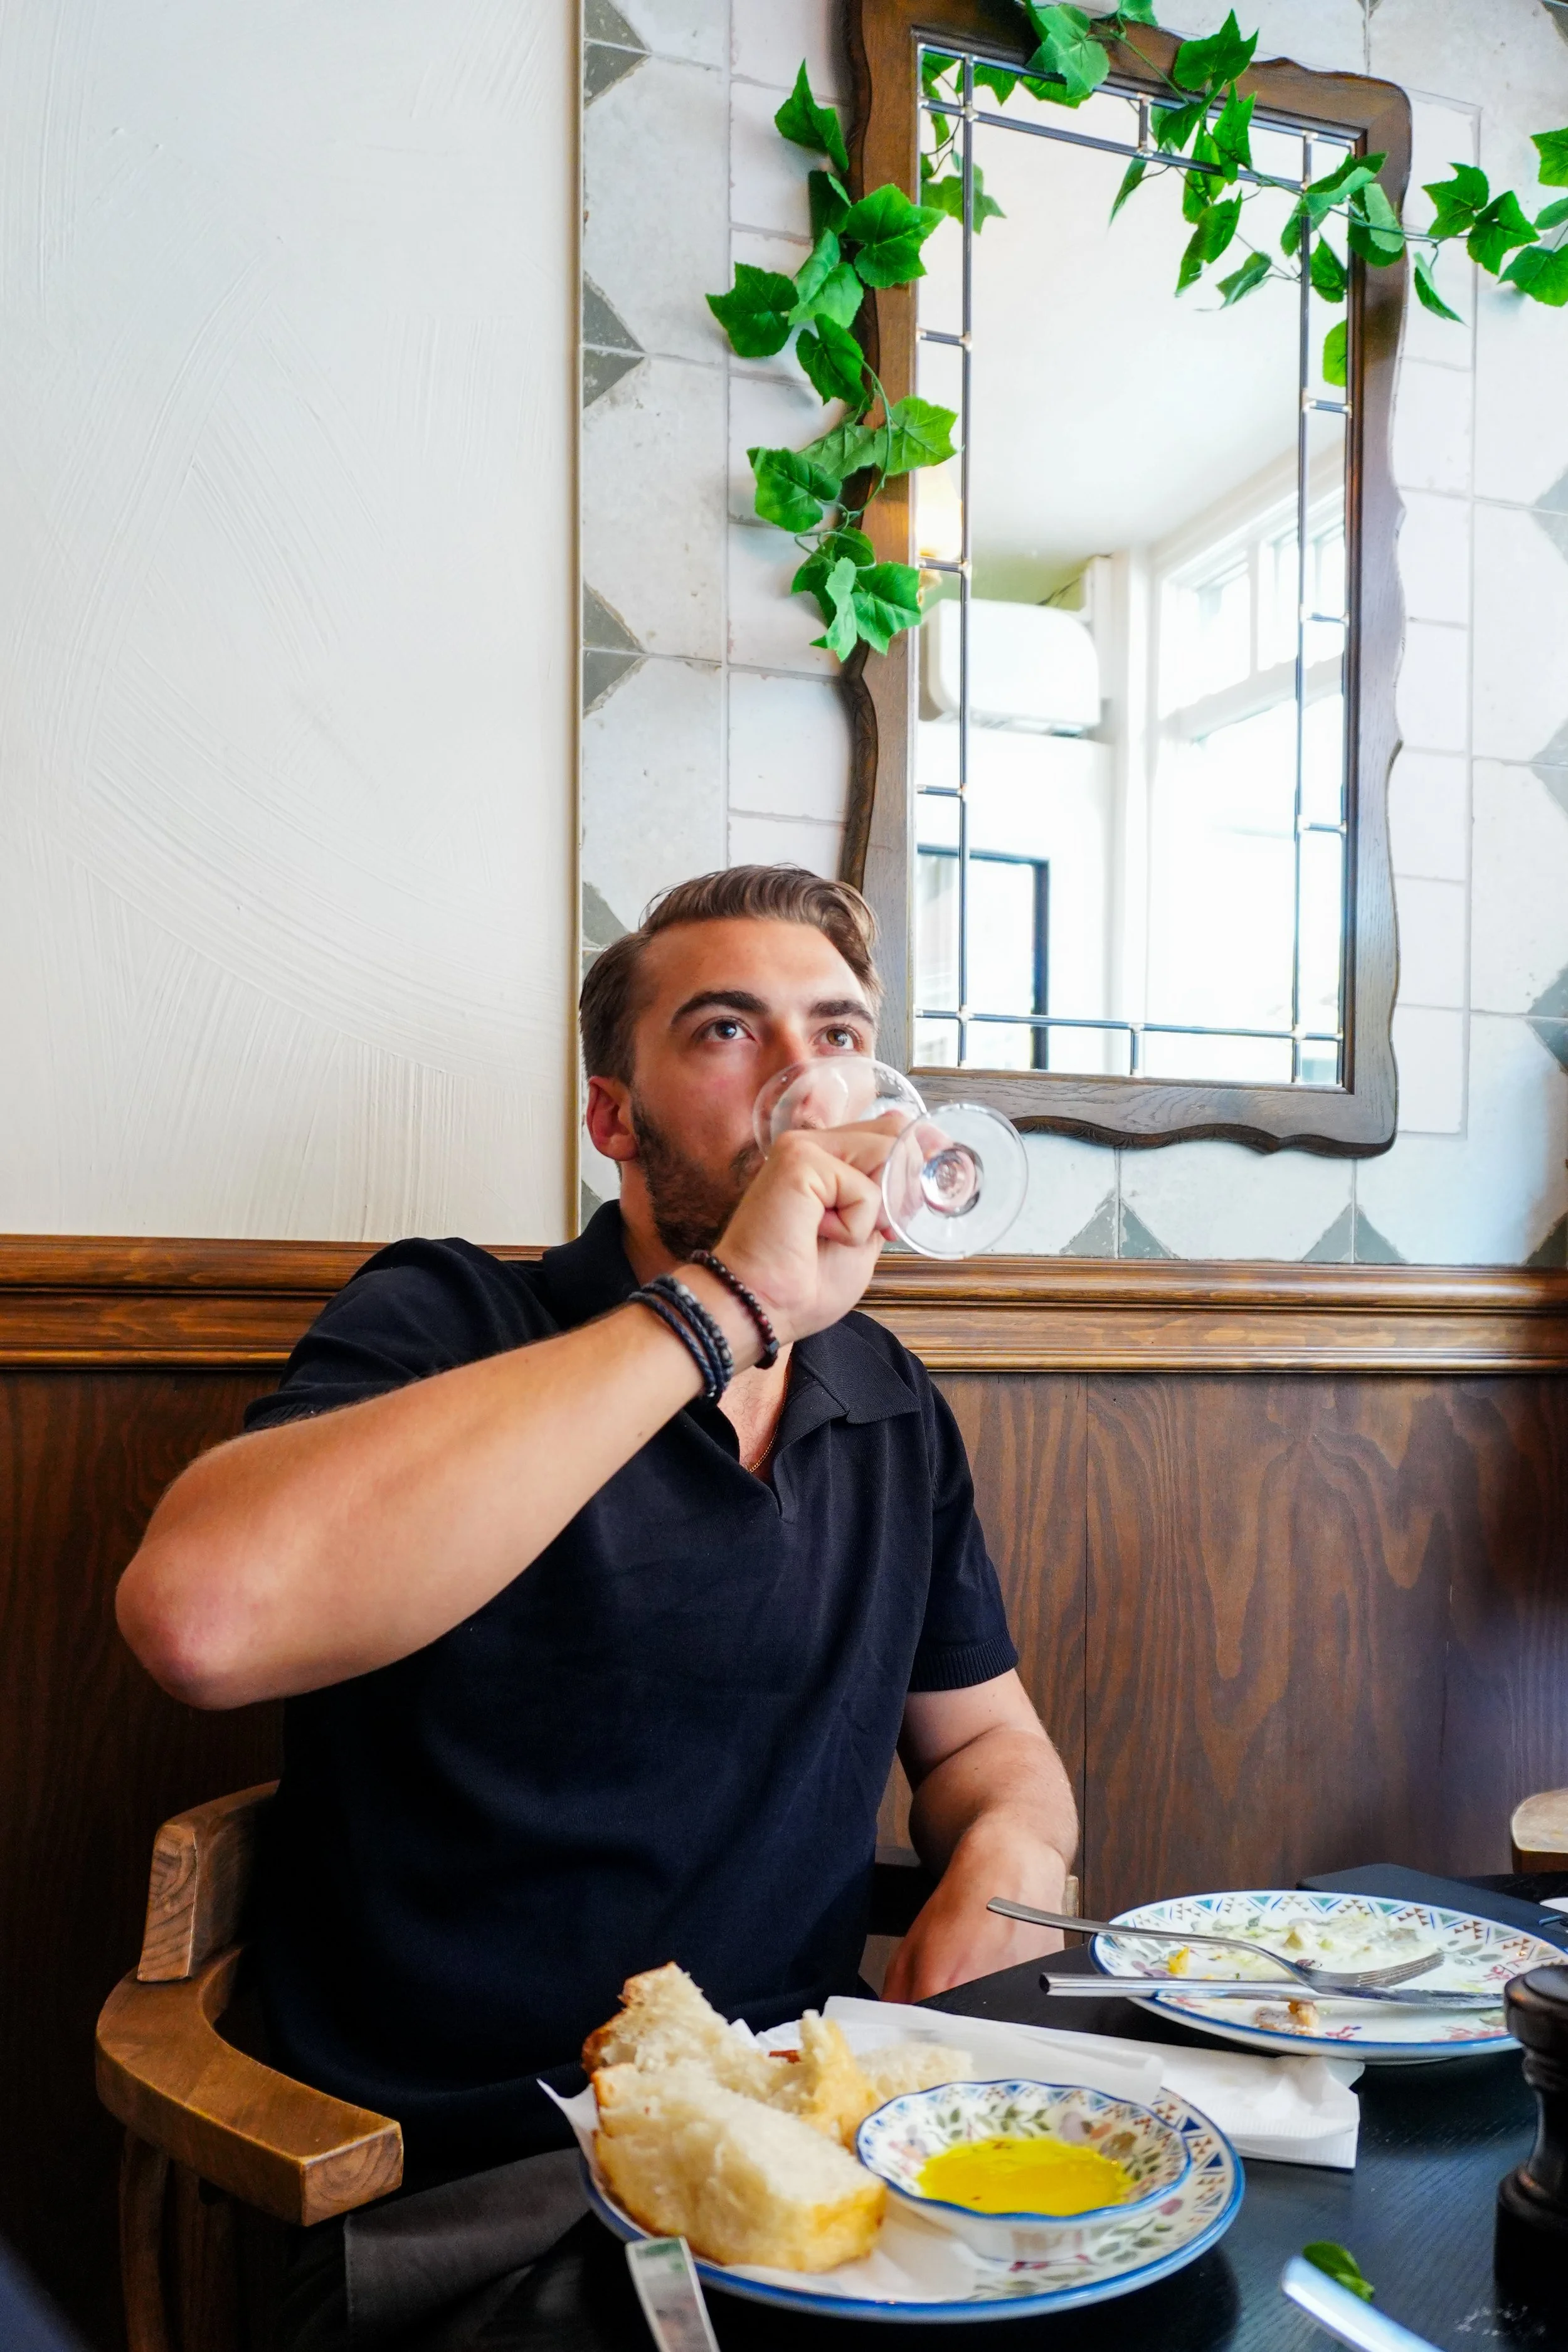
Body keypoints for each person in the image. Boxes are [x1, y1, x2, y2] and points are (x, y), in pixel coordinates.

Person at [117, 864, 1076, 2343]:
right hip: (469, 2207)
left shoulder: (888, 1405)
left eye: (836, 1035)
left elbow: (984, 1749)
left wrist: (1007, 1868)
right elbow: (200, 1621)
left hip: (804, 2184)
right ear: (610, 1120)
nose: (805, 1083)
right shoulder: (451, 1322)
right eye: (725, 1031)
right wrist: (722, 1309)